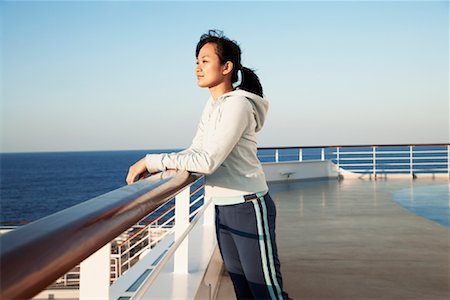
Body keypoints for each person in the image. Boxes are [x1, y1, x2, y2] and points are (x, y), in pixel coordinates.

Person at [126, 29, 290, 300]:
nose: (197, 68)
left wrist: (151, 161)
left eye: (204, 61)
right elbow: (196, 150)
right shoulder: (213, 105)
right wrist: (165, 167)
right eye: (196, 62)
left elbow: (207, 161)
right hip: (222, 206)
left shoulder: (237, 105)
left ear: (226, 67)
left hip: (248, 205)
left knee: (266, 293)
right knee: (244, 292)